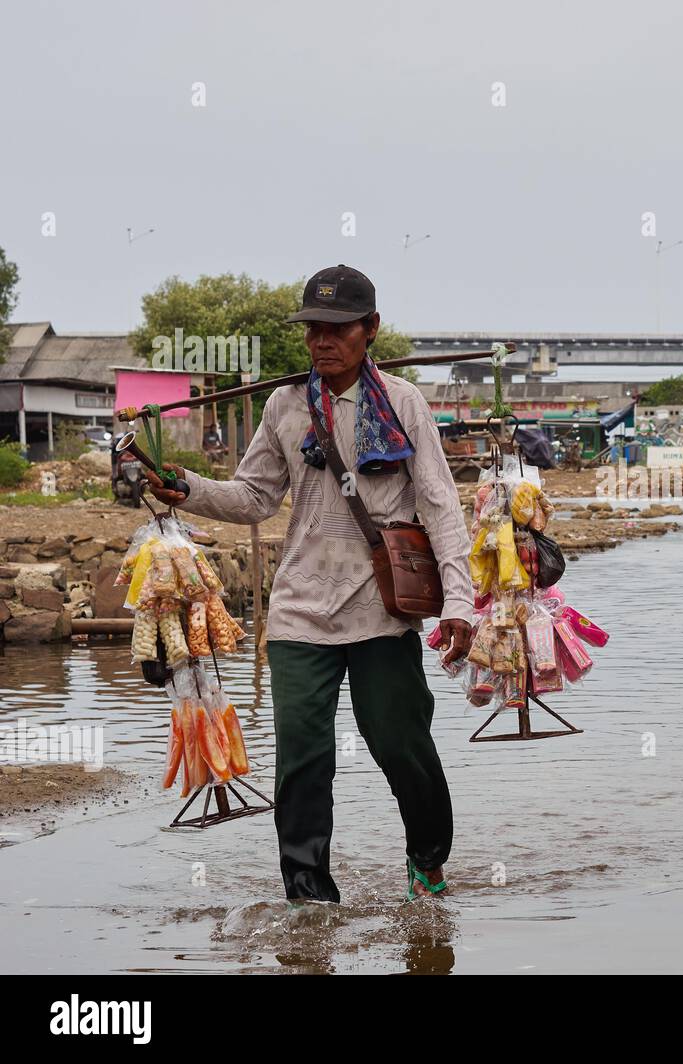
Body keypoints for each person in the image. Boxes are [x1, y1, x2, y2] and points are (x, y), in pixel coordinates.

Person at [144, 264, 475, 905]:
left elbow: (440, 506)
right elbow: (254, 496)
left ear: (370, 329)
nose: (323, 341)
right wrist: (187, 488)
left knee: (402, 747)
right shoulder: (286, 406)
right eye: (313, 329)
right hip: (300, 612)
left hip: (383, 608)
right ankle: (308, 896)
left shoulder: (403, 404)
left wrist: (459, 602)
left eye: (338, 328)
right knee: (301, 760)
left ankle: (427, 863)